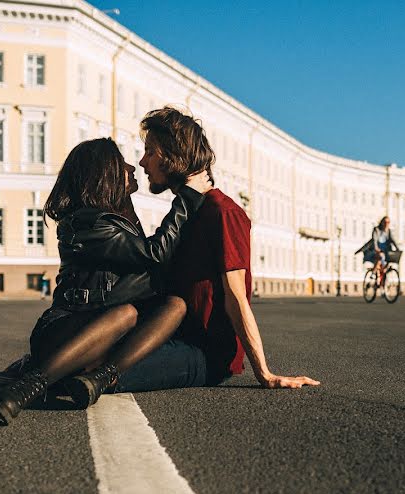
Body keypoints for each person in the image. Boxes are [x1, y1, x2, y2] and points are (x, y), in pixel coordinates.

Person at [0, 137, 211, 424]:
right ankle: (29, 386)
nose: (131, 167)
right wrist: (187, 198)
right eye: (121, 163)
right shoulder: (89, 224)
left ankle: (99, 379)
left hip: (103, 339)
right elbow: (155, 254)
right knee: (127, 313)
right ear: (105, 174)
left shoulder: (119, 217)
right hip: (64, 332)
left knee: (175, 306)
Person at [115, 107, 319, 391]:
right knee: (90, 357)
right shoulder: (185, 211)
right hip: (169, 334)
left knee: (110, 373)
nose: (142, 161)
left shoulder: (223, 212)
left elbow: (236, 297)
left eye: (150, 151)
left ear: (173, 156)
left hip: (204, 351)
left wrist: (265, 373)